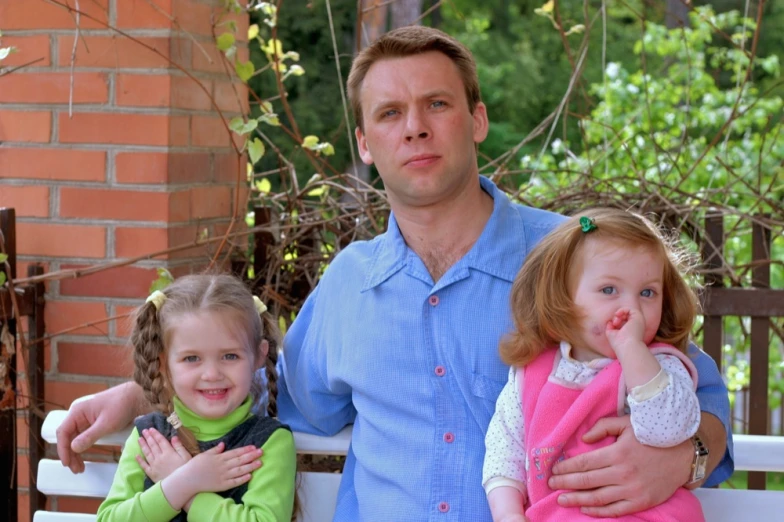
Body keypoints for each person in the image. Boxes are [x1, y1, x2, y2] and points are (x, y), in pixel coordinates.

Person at [57, 26, 733, 522]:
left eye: (436, 105)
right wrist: (138, 396)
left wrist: (683, 458)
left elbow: (701, 394)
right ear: (365, 144)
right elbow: (269, 389)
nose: (414, 128)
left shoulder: (572, 260)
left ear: (476, 120)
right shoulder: (351, 284)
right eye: (389, 113)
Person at [483, 208, 707, 522]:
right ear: (562, 297)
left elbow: (670, 430)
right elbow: (504, 451)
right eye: (608, 290)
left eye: (647, 292)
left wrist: (632, 350)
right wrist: (508, 513)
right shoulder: (531, 375)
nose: (630, 307)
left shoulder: (659, 366)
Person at [96, 274, 296, 522]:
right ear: (163, 363)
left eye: (230, 356)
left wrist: (190, 492)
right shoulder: (151, 436)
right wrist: (183, 482)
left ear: (258, 355)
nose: (212, 374)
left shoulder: (269, 442)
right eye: (192, 358)